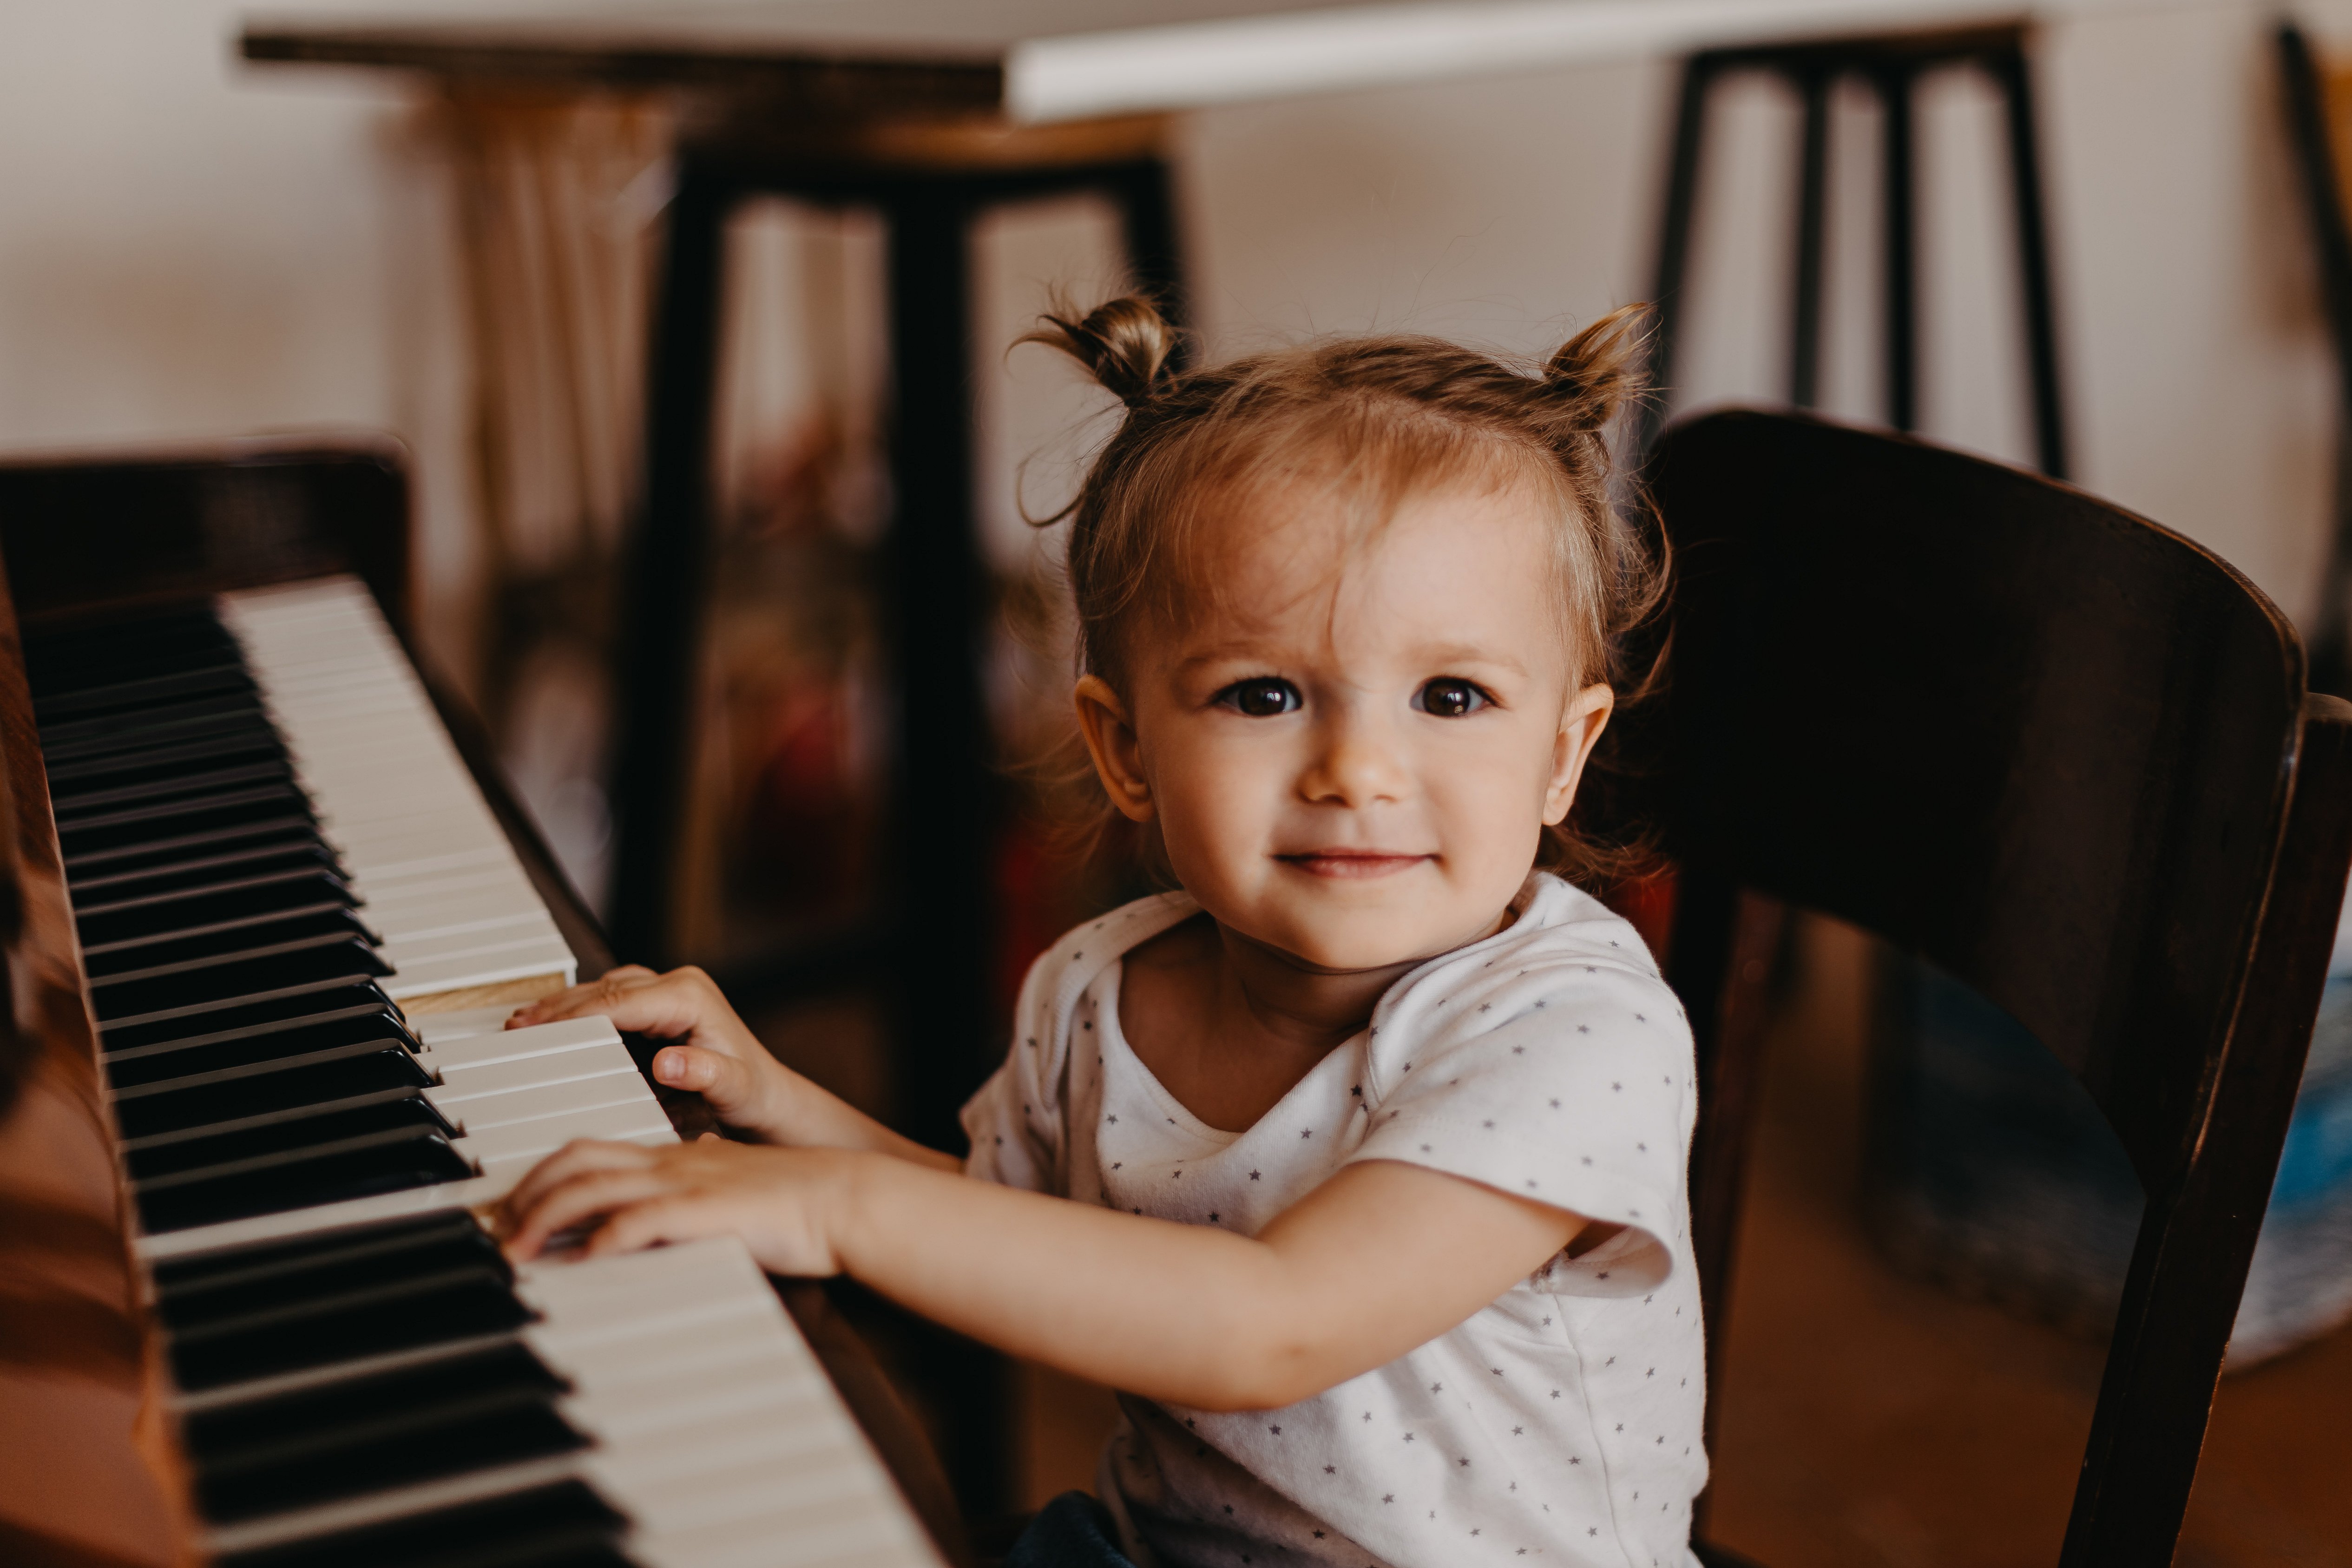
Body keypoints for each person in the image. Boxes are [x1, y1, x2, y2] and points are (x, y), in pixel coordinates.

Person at [496, 295, 1703, 1568]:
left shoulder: (1574, 1033)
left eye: (1451, 696)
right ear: (1124, 749)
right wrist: (781, 1107)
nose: (1358, 770)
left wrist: (833, 1203)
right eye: (1266, 694)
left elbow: (1272, 1326)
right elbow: (1007, 1237)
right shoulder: (1099, 988)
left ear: (1565, 755)